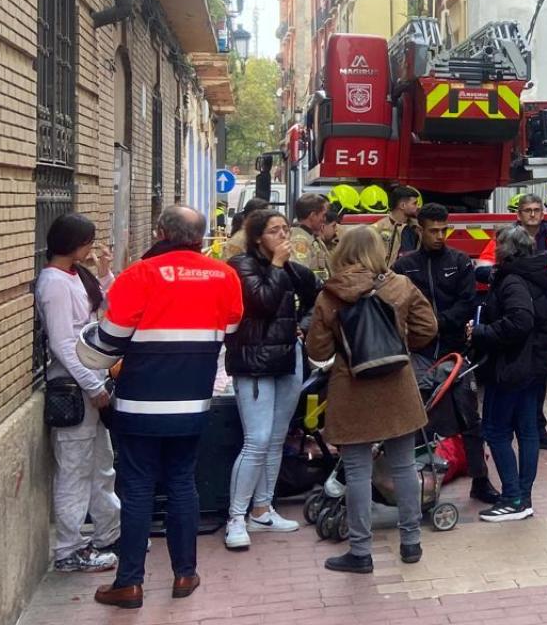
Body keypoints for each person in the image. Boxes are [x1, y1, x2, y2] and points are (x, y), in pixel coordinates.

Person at [80, 206, 243, 610]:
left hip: (140, 403)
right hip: (193, 400)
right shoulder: (224, 275)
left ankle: (129, 583)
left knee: (136, 487)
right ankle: (185, 573)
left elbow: (108, 341)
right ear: (200, 237)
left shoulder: (140, 274)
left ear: (160, 232)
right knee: (182, 483)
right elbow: (231, 329)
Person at [305, 227, 438, 572]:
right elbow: (428, 329)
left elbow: (317, 350)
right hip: (397, 386)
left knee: (357, 472)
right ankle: (411, 542)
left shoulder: (331, 295)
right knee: (405, 466)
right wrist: (400, 338)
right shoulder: (399, 285)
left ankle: (360, 552)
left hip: (352, 390)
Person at [222, 209, 319, 551]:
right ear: (257, 237)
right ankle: (236, 516)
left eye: (285, 229)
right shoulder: (241, 266)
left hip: (287, 357)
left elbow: (315, 294)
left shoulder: (289, 268)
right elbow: (261, 302)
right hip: (254, 361)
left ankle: (262, 510)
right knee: (257, 439)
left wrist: (303, 328)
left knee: (277, 437)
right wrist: (278, 264)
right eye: (275, 230)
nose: (283, 235)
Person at [393, 202, 501, 505]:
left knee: (470, 419)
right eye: (433, 231)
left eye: (444, 230)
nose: (440, 236)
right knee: (417, 420)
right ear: (420, 230)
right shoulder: (404, 266)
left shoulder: (461, 262)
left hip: (456, 353)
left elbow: (468, 303)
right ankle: (417, 486)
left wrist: (436, 324)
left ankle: (480, 480)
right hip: (419, 354)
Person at [38, 213, 121, 574]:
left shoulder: (77, 275)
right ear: (73, 243)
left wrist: (104, 272)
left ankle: (108, 533)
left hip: (94, 382)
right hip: (75, 388)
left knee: (101, 465)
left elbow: (102, 309)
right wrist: (92, 385)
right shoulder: (53, 282)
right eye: (88, 241)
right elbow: (62, 341)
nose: (92, 246)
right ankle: (69, 549)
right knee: (74, 470)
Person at [470, 225, 547, 522]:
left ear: (507, 250)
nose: (494, 249)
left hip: (512, 366)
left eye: (498, 245)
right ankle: (523, 498)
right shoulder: (533, 273)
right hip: (531, 364)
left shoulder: (513, 281)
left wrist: (482, 331)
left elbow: (520, 321)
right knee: (527, 431)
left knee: (495, 430)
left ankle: (512, 497)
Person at [514, 193, 547, 451]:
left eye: (537, 210)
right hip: (517, 313)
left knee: (540, 375)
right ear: (519, 214)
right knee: (517, 374)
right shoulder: (508, 237)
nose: (533, 214)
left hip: (544, 315)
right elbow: (487, 263)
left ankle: (537, 428)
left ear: (543, 213)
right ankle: (522, 427)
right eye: (528, 210)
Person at [290, 192, 335, 283]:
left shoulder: (311, 237)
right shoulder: (299, 240)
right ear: (313, 215)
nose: (325, 219)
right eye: (323, 215)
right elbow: (300, 275)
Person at [367, 184, 421, 257]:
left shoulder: (417, 228)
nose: (417, 207)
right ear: (403, 206)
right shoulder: (377, 229)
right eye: (414, 204)